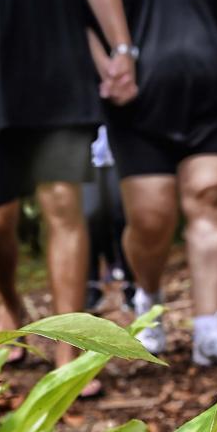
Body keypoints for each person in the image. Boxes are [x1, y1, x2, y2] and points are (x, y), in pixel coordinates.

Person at [0, 0, 138, 370]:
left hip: (55, 63)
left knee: (63, 200)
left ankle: (68, 350)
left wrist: (121, 49)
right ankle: (12, 303)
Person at [89, 0, 217, 369]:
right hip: (135, 102)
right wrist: (107, 65)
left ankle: (210, 328)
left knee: (211, 194)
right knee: (152, 218)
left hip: (213, 93)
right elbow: (80, 16)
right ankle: (148, 299)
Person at [83, 126, 135, 313]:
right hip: (87, 158)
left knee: (121, 215)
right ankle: (92, 286)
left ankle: (131, 284)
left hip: (118, 155)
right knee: (90, 216)